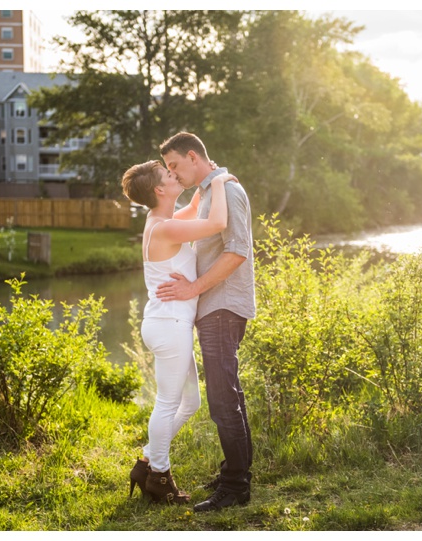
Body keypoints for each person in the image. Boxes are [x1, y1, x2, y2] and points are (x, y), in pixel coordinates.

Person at [120, 159, 237, 504]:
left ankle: (146, 460)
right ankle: (159, 476)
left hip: (168, 323)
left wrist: (205, 180)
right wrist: (218, 180)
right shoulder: (164, 228)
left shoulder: (161, 220)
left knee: (191, 402)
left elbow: (194, 209)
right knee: (169, 403)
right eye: (169, 175)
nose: (175, 175)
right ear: (160, 189)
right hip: (169, 325)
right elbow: (217, 222)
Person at [156, 132, 256, 513]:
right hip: (213, 306)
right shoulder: (212, 188)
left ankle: (235, 488)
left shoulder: (226, 191)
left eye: (175, 166)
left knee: (220, 398)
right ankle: (236, 473)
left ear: (193, 156)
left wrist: (193, 288)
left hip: (223, 306)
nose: (173, 174)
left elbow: (238, 253)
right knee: (228, 393)